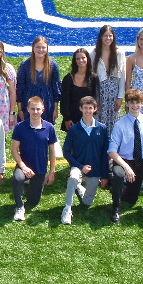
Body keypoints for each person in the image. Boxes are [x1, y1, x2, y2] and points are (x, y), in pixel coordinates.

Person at [108, 89, 143, 221]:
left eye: (138, 102)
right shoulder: (120, 125)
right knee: (119, 175)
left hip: (139, 162)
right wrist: (127, 168)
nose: (135, 106)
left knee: (131, 199)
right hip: (122, 161)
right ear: (127, 104)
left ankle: (116, 185)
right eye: (131, 102)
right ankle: (115, 208)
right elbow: (112, 151)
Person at [62, 95, 109, 225]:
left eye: (90, 108)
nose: (88, 111)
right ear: (80, 109)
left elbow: (105, 153)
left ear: (95, 109)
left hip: (95, 170)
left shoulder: (102, 129)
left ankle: (79, 186)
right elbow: (66, 152)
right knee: (73, 177)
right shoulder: (74, 129)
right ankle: (67, 209)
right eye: (85, 108)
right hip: (78, 166)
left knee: (87, 202)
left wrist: (105, 175)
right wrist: (80, 166)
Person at [10, 96, 57, 223]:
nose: (35, 112)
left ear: (43, 110)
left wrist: (52, 172)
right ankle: (19, 206)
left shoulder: (49, 128)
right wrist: (23, 167)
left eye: (38, 109)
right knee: (17, 178)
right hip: (24, 165)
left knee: (33, 201)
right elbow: (14, 150)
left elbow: (52, 151)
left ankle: (29, 182)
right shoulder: (20, 127)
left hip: (40, 168)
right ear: (27, 109)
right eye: (32, 109)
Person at [15, 36, 60, 126]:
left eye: (43, 47)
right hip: (28, 102)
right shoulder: (25, 65)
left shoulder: (53, 65)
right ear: (33, 48)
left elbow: (56, 88)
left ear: (47, 49)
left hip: (47, 103)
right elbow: (20, 88)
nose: (40, 50)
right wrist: (20, 109)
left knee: (44, 129)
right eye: (38, 47)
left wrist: (55, 109)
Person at [60, 48, 99, 132]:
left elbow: (96, 98)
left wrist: (92, 116)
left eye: (83, 58)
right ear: (75, 61)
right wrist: (67, 118)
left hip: (88, 117)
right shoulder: (68, 78)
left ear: (87, 59)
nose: (81, 60)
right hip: (72, 119)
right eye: (78, 58)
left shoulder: (94, 78)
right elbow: (64, 101)